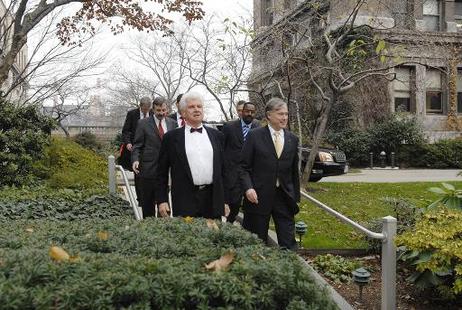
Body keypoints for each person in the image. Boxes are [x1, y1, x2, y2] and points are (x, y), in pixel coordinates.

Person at [156, 91, 229, 219]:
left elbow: (225, 171)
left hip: (212, 199)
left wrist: (226, 199)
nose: (196, 110)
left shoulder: (217, 136)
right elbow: (161, 172)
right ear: (183, 113)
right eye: (191, 107)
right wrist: (162, 200)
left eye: (199, 106)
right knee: (187, 238)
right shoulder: (171, 138)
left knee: (212, 237)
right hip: (184, 198)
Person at [240, 97, 300, 250]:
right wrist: (248, 188)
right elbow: (243, 167)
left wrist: (295, 196)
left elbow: (293, 171)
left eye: (286, 114)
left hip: (284, 197)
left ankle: (289, 271)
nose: (284, 117)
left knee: (288, 243)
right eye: (280, 114)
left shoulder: (292, 139)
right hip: (258, 197)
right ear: (268, 115)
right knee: (256, 243)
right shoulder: (254, 136)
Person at [131, 97, 177, 218]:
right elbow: (137, 145)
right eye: (158, 110)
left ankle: (162, 233)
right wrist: (135, 160)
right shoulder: (143, 123)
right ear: (153, 109)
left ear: (167, 109)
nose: (161, 113)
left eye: (163, 110)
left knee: (164, 209)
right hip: (148, 170)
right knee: (148, 208)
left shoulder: (172, 123)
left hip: (166, 173)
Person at [222, 101, 260, 223]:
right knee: (233, 207)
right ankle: (227, 228)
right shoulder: (229, 126)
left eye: (252, 112)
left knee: (251, 207)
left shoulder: (258, 127)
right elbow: (222, 149)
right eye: (247, 111)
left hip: (250, 174)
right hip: (232, 174)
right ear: (241, 112)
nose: (249, 114)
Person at [121, 97, 152, 204]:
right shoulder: (132, 114)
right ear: (140, 106)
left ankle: (150, 196)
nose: (146, 111)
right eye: (144, 109)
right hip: (136, 147)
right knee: (138, 172)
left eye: (148, 109)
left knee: (149, 172)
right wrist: (128, 143)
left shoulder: (153, 114)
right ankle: (140, 198)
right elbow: (125, 131)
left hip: (150, 148)